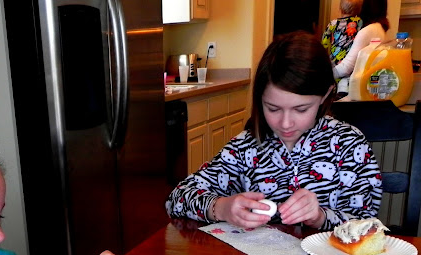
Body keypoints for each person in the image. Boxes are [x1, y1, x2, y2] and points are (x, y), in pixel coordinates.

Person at [165, 31, 382, 231]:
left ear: (325, 95)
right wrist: (221, 208)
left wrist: (320, 217)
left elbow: (368, 226)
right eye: (273, 108)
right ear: (260, 99)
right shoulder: (245, 147)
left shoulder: (349, 145)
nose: (285, 123)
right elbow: (176, 199)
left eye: (301, 109)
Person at [332, 0, 389, 94]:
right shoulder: (380, 30)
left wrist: (321, 75)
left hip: (351, 89)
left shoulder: (368, 31)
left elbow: (346, 67)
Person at [321, 0, 363, 67]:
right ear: (358, 10)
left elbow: (325, 41)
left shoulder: (333, 23)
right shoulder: (360, 22)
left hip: (335, 58)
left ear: (340, 9)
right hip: (352, 59)